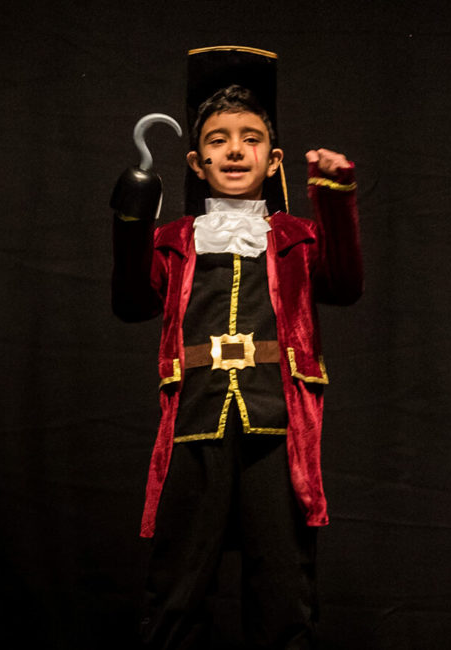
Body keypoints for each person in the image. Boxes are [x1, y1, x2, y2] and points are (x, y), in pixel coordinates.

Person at [110, 46, 362, 649]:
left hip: (276, 427)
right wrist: (132, 217)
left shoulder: (295, 237)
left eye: (249, 139)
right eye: (219, 140)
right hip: (194, 422)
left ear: (271, 159)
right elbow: (131, 303)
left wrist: (332, 194)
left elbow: (344, 285)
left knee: (282, 587)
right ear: (196, 163)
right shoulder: (175, 240)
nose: (234, 150)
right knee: (178, 587)